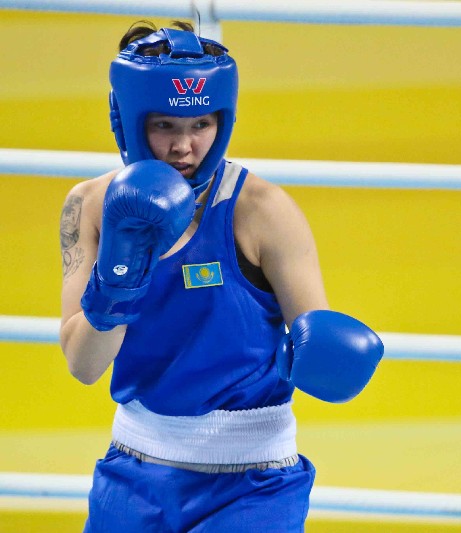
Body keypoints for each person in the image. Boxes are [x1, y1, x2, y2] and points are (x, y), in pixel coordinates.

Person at [58, 21, 384, 532]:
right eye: (165, 125)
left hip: (252, 483)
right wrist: (120, 277)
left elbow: (317, 343)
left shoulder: (263, 210)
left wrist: (328, 358)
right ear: (127, 120)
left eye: (201, 124)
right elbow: (84, 365)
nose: (184, 147)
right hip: (134, 472)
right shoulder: (90, 206)